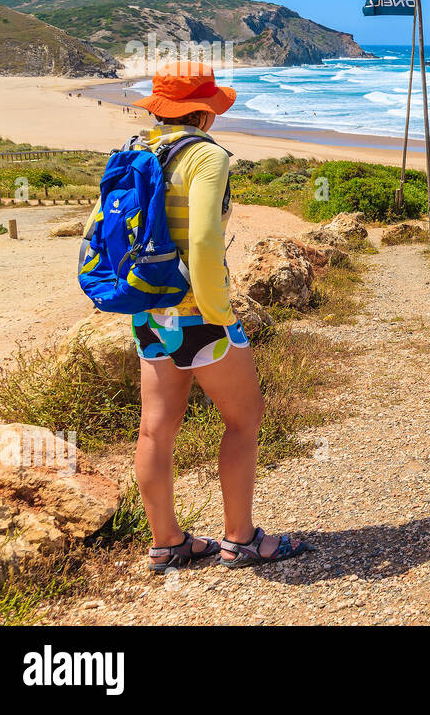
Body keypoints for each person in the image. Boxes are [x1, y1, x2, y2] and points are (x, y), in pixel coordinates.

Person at [128, 62, 310, 572]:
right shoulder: (206, 156)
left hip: (149, 309)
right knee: (243, 420)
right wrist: (220, 313)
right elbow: (206, 240)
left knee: (155, 429)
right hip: (198, 313)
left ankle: (167, 543)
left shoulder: (137, 149)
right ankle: (241, 539)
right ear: (204, 113)